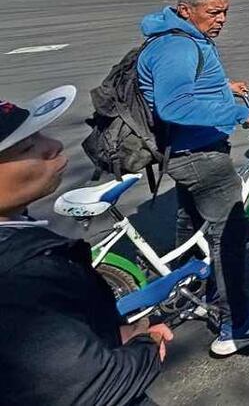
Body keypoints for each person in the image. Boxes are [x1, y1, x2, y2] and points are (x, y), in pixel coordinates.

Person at [137, 0, 249, 356]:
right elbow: (174, 105)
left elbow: (189, 86)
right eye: (213, 12)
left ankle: (185, 294)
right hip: (200, 156)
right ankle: (235, 324)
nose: (221, 19)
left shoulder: (182, 37)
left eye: (225, 12)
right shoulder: (177, 47)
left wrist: (224, 87)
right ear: (186, 10)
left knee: (189, 228)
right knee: (228, 236)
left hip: (187, 154)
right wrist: (240, 113)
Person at [0, 85, 174, 406]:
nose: (53, 145)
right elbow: (91, 388)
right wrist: (147, 344)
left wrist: (111, 336)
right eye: (27, 147)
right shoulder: (19, 273)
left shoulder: (17, 236)